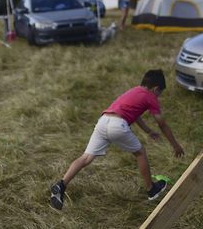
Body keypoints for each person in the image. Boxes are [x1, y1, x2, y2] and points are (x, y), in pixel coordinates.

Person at [50, 69, 184, 210]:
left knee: (86, 157)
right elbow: (162, 123)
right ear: (156, 88)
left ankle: (61, 185)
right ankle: (152, 189)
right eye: (159, 93)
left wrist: (148, 131)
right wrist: (175, 145)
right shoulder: (151, 97)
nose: (158, 97)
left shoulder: (133, 91)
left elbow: (136, 115)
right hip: (117, 125)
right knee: (140, 153)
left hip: (103, 121)